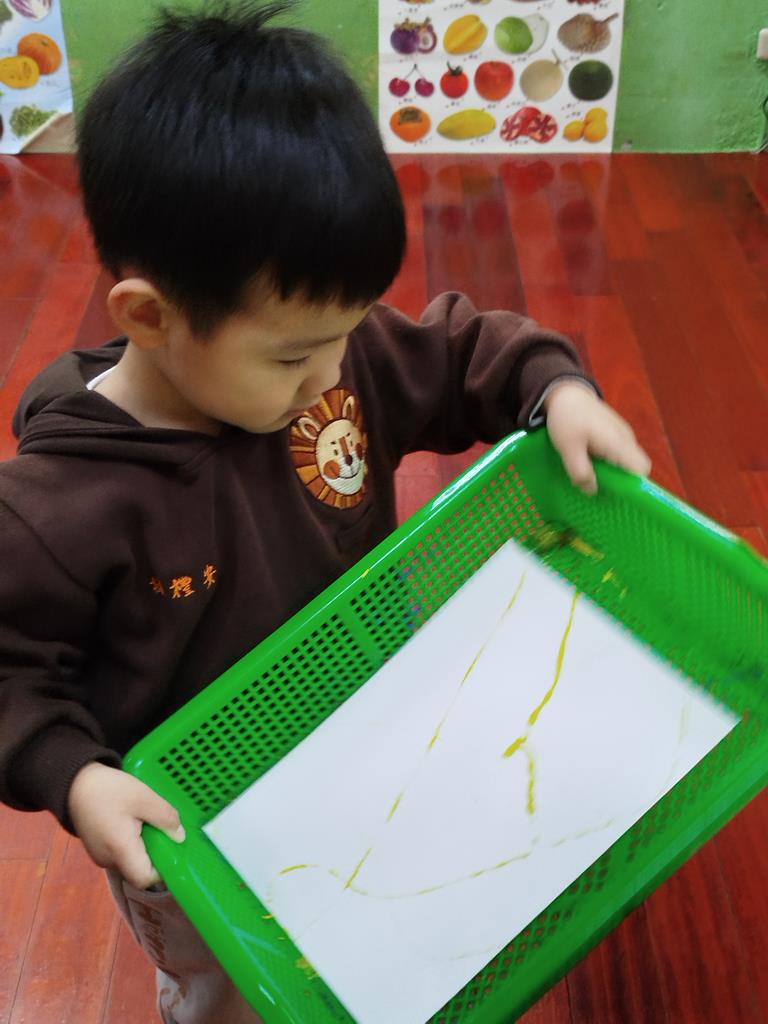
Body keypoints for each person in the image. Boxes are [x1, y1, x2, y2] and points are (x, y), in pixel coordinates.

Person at [0, 2, 651, 1022]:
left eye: (344, 333)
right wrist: (77, 779)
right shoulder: (56, 508)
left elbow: (462, 351)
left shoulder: (327, 360)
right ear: (149, 316)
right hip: (205, 840)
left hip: (367, 753)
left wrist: (556, 388)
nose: (335, 374)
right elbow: (10, 673)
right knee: (243, 996)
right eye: (297, 355)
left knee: (379, 946)